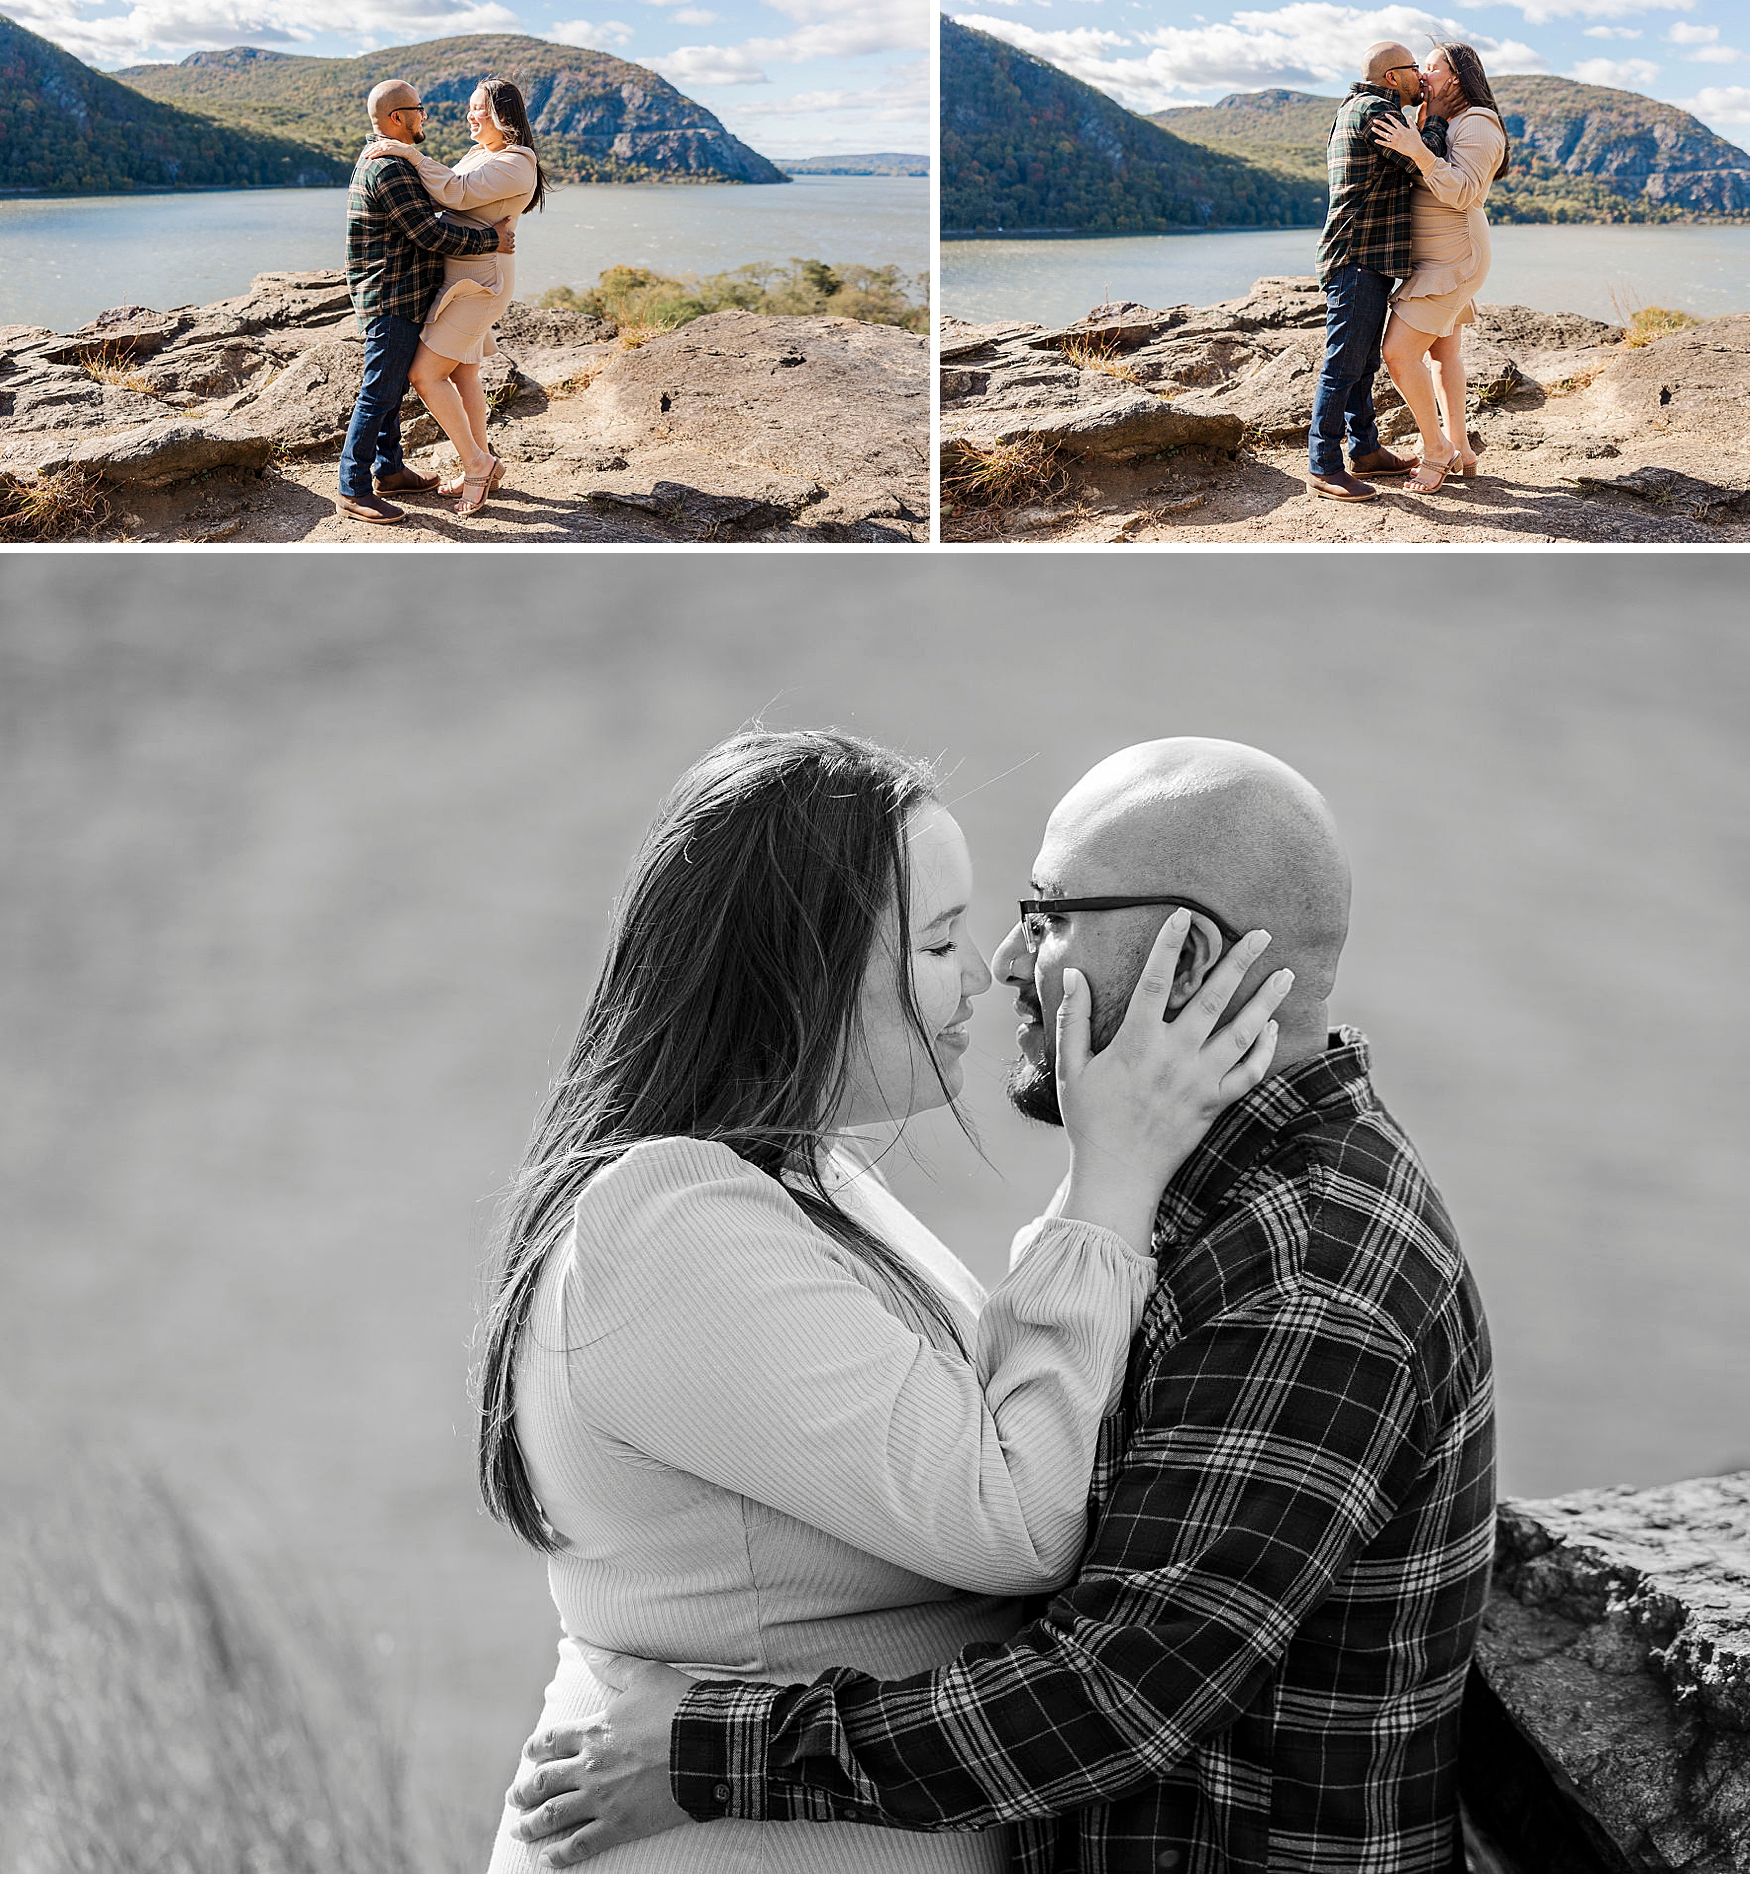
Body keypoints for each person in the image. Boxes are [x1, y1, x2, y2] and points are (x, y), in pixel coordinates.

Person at [509, 737, 1499, 1874]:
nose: (1001, 963)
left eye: (1046, 916)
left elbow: (1118, 1688)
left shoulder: (1307, 1268)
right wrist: (1108, 1181)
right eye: (951, 934)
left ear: (1188, 955)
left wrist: (710, 1751)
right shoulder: (1186, 1199)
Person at [337, 80, 515, 526]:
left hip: (402, 292)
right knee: (378, 393)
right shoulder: (389, 169)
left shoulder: (393, 159)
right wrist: (489, 239)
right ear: (398, 118)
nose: (426, 117)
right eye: (420, 109)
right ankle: (352, 489)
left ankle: (390, 471)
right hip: (391, 295)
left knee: (392, 388)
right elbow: (429, 232)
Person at [1373, 43, 1513, 493]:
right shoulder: (1439, 122)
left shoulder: (1478, 124)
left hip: (1454, 256)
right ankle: (1461, 448)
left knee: (1398, 353)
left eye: (1430, 67)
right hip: (1432, 253)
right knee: (1442, 353)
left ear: (1454, 77)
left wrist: (1419, 151)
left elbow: (1466, 192)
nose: (1422, 74)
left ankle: (1436, 449)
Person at [1306, 41, 1428, 503]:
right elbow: (1424, 154)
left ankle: (1366, 450)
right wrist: (1435, 111)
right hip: (1357, 258)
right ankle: (1324, 465)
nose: (1422, 76)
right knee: (1343, 364)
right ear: (1392, 77)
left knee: (1363, 363)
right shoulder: (1377, 111)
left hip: (1364, 258)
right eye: (1415, 69)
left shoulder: (1356, 108)